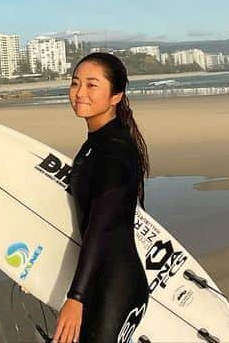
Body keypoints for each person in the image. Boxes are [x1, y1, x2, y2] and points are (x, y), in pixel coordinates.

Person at [53, 52, 151, 343]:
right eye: (75, 83)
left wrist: (76, 296)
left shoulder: (115, 151)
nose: (79, 93)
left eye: (92, 85)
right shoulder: (95, 144)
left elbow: (101, 226)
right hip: (96, 279)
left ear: (116, 96)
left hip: (114, 287)